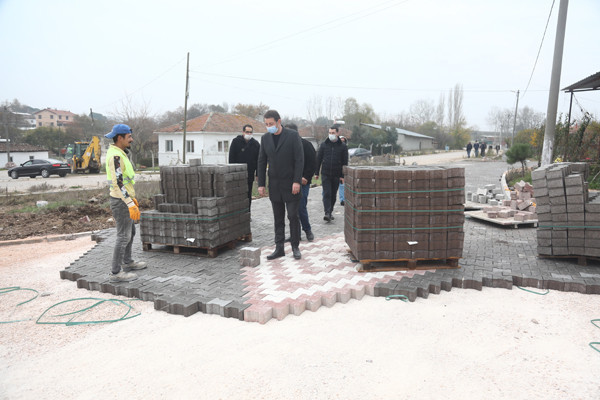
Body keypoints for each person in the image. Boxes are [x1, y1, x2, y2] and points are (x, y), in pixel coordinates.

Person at [257, 110, 304, 260]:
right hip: (275, 185)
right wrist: (261, 184)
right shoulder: (265, 138)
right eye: (266, 124)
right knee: (278, 218)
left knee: (292, 216)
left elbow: (299, 159)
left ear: (279, 121)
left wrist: (297, 181)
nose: (269, 126)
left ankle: (295, 246)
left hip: (291, 184)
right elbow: (261, 161)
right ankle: (279, 248)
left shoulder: (292, 136)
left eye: (271, 123)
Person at [105, 124, 147, 282]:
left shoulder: (120, 154)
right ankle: (115, 273)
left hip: (124, 199)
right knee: (123, 236)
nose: (132, 139)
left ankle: (127, 262)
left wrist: (131, 199)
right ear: (120, 138)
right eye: (129, 137)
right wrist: (129, 203)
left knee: (131, 232)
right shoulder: (115, 156)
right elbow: (118, 183)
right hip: (121, 202)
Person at [284, 123, 316, 242]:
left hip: (303, 182)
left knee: (301, 207)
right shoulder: (285, 147)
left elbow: (313, 163)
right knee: (291, 210)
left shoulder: (306, 145)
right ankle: (295, 234)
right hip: (289, 182)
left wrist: (306, 177)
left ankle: (307, 230)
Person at [315, 124, 348, 222]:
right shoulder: (324, 145)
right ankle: (327, 212)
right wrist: (316, 172)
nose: (331, 134)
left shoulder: (343, 146)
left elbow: (345, 162)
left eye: (333, 133)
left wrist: (342, 176)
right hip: (325, 173)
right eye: (330, 133)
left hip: (336, 174)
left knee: (333, 194)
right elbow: (319, 159)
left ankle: (330, 211)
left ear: (337, 133)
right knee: (327, 193)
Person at [228, 124, 260, 211]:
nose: (249, 134)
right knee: (237, 195)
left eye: (250, 132)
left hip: (249, 174)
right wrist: (232, 171)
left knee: (248, 195)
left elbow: (259, 161)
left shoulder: (256, 144)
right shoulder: (236, 142)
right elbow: (231, 158)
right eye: (247, 132)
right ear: (243, 132)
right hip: (237, 174)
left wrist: (258, 174)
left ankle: (247, 212)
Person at [338, 136, 347, 205]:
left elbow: (345, 162)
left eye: (343, 141)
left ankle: (342, 199)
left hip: (341, 170)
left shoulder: (345, 150)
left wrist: (343, 174)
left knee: (342, 185)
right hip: (333, 169)